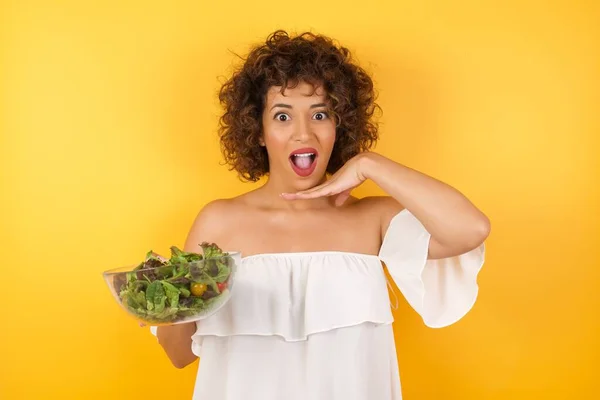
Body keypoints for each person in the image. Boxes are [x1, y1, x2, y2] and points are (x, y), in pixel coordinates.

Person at [150, 30, 490, 400]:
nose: (303, 133)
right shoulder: (219, 222)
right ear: (258, 131)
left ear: (338, 125)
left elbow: (470, 229)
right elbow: (179, 354)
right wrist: (165, 295)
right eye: (282, 116)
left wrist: (371, 164)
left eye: (320, 114)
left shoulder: (370, 219)